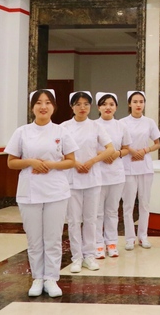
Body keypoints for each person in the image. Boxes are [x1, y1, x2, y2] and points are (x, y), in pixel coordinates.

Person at [6, 89, 78, 298]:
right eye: (38, 103)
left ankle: (51, 278)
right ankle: (37, 277)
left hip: (56, 191)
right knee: (34, 238)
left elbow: (71, 161)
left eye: (47, 102)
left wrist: (51, 165)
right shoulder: (22, 132)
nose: (43, 106)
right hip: (29, 191)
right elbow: (11, 162)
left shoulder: (61, 131)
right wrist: (31, 162)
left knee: (53, 238)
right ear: (32, 107)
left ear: (53, 107)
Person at [61, 91, 114, 273]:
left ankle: (89, 256)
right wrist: (74, 163)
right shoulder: (64, 127)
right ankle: (76, 257)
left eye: (86, 104)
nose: (82, 107)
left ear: (90, 106)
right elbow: (58, 150)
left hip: (92, 178)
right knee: (74, 220)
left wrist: (92, 161)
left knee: (91, 219)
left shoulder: (96, 126)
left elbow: (110, 149)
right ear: (72, 106)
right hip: (72, 178)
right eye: (78, 104)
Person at [120, 91, 160, 250]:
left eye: (141, 101)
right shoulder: (122, 122)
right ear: (129, 104)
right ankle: (130, 238)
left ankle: (143, 236)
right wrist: (133, 152)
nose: (138, 104)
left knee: (144, 204)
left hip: (145, 166)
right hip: (128, 165)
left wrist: (144, 150)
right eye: (135, 101)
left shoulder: (149, 122)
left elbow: (157, 144)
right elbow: (119, 143)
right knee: (128, 205)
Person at [95, 92, 131, 259]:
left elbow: (126, 148)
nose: (107, 107)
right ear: (98, 107)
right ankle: (97, 244)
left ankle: (111, 243)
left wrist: (117, 153)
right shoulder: (93, 125)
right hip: (98, 173)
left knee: (112, 210)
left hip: (116, 173)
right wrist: (103, 155)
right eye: (104, 104)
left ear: (116, 107)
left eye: (111, 104)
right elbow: (88, 147)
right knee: (97, 212)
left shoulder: (121, 126)